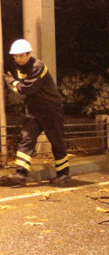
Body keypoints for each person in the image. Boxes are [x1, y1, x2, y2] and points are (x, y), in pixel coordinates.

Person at [3, 39, 71, 185]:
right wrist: (14, 81)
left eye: (22, 55)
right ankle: (20, 174)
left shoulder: (37, 66)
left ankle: (64, 174)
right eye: (16, 56)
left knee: (56, 141)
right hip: (34, 111)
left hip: (50, 110)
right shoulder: (20, 67)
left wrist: (10, 81)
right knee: (26, 139)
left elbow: (26, 89)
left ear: (29, 54)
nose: (19, 59)